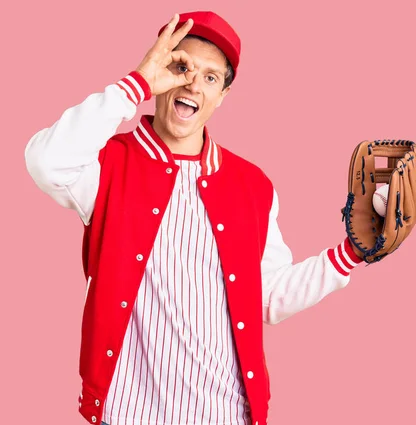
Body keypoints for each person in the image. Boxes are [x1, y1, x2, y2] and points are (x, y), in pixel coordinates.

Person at [24, 11, 362, 425]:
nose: (192, 85)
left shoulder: (253, 185)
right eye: (180, 67)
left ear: (221, 95)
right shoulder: (106, 165)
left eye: (210, 77)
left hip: (227, 415)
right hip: (128, 414)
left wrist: (350, 253)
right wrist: (137, 84)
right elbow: (45, 161)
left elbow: (269, 297)